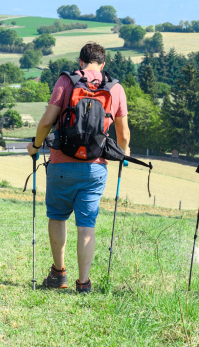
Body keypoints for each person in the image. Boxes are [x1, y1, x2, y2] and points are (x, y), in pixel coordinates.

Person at [27, 42, 130, 293]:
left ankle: (59, 274)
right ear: (103, 64)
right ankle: (83, 283)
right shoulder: (115, 89)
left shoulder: (66, 82)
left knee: (58, 216)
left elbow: (46, 122)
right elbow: (123, 134)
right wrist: (124, 155)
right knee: (86, 225)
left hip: (61, 163)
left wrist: (35, 145)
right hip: (95, 168)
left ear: (80, 62)